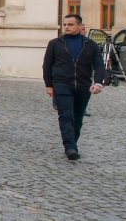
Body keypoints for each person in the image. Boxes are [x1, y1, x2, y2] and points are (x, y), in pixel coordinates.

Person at [43, 13, 106, 160]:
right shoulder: (55, 43)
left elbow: (99, 65)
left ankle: (73, 142)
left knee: (77, 118)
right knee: (66, 116)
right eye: (65, 24)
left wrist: (98, 82)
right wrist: (49, 85)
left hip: (83, 86)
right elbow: (47, 65)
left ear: (79, 26)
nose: (66, 27)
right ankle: (70, 147)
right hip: (62, 84)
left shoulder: (90, 45)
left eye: (70, 24)